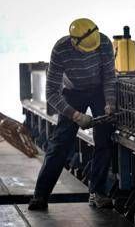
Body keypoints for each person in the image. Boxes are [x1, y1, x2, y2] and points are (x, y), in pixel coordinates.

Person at [28, 18, 117, 210]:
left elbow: (110, 77)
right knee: (60, 142)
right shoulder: (61, 50)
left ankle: (97, 193)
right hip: (73, 92)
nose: (91, 51)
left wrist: (109, 103)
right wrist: (75, 115)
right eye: (87, 49)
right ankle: (40, 195)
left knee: (104, 140)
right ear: (73, 41)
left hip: (99, 91)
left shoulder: (103, 43)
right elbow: (51, 93)